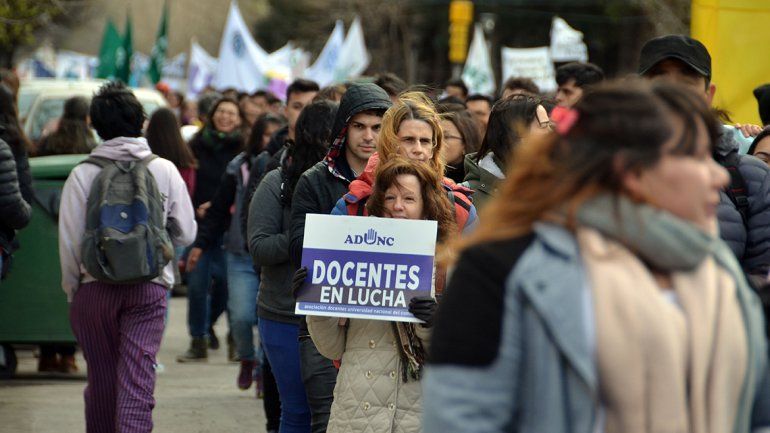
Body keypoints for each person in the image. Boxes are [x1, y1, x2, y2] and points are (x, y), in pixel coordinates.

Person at [423, 81, 770, 433]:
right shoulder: (499, 270)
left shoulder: (719, 274)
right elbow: (460, 419)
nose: (718, 175)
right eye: (694, 157)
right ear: (631, 171)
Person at [59, 81, 196, 433]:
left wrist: (74, 288)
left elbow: (71, 242)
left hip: (93, 290)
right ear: (141, 121)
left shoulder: (81, 173)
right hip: (148, 289)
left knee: (102, 380)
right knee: (137, 379)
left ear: (96, 124)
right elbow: (186, 232)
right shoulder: (163, 169)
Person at [307, 157, 456, 433]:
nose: (398, 206)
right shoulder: (354, 254)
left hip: (416, 416)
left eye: (409, 198)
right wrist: (316, 300)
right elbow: (331, 348)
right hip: (356, 414)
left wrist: (432, 323)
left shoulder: (448, 265)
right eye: (390, 197)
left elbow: (456, 356)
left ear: (427, 205)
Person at [289, 82, 392, 433]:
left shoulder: (403, 184)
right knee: (325, 420)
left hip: (384, 330)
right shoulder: (314, 182)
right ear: (343, 130)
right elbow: (302, 246)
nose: (368, 136)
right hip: (325, 321)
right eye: (359, 127)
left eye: (378, 128)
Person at [639, 34, 770, 285]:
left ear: (707, 94)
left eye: (686, 80)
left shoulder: (752, 179)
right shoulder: (604, 170)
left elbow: (763, 282)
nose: (673, 91)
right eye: (659, 78)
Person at [249, 99, 339, 433]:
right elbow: (258, 246)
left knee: (332, 412)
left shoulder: (354, 183)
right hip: (284, 313)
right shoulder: (278, 181)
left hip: (337, 315)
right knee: (298, 411)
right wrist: (304, 235)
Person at [330, 91, 477, 234]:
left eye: (425, 141)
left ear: (433, 149)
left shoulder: (458, 208)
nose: (418, 149)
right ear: (389, 144)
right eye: (408, 140)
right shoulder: (353, 207)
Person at [177, 96, 244, 363]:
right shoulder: (195, 146)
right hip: (200, 225)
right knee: (196, 283)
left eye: (231, 113)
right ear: (212, 114)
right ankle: (198, 340)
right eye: (221, 111)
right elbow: (185, 184)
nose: (225, 117)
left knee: (226, 285)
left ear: (239, 119)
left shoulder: (243, 151)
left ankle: (222, 333)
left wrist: (221, 206)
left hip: (230, 227)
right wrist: (195, 207)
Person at [462, 94, 551, 212]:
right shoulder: (467, 197)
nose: (551, 132)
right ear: (517, 133)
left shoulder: (556, 185)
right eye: (543, 126)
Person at [441, 110, 481, 184]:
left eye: (446, 137)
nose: (438, 142)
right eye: (436, 136)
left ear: (466, 143)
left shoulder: (479, 178)